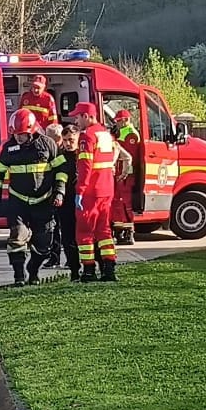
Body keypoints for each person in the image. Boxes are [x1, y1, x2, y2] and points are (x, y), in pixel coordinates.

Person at [0, 108, 63, 286]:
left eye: (21, 134)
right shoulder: (9, 148)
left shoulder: (48, 144)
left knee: (44, 245)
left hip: (43, 201)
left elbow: (61, 170)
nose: (18, 138)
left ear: (32, 130)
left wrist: (59, 191)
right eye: (15, 134)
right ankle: (19, 275)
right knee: (17, 238)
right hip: (18, 201)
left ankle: (33, 270)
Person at [70, 103, 119, 282]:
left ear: (86, 116)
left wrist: (80, 191)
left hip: (91, 191)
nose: (76, 121)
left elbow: (85, 167)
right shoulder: (105, 134)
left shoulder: (87, 136)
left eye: (78, 117)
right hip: (106, 189)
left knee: (84, 231)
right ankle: (109, 269)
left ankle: (88, 270)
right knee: (104, 230)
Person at [50, 124, 82, 281]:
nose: (68, 143)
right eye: (65, 140)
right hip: (66, 201)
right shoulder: (60, 158)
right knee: (68, 237)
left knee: (86, 236)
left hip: (84, 200)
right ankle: (74, 270)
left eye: (71, 140)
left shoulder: (84, 155)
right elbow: (55, 177)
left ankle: (94, 267)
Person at [109, 108, 143, 246]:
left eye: (118, 121)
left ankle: (129, 232)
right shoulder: (122, 132)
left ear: (125, 120)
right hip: (120, 173)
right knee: (117, 203)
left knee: (126, 204)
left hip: (126, 174)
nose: (116, 123)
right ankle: (119, 231)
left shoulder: (131, 134)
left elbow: (128, 156)